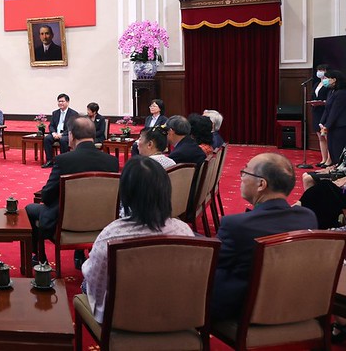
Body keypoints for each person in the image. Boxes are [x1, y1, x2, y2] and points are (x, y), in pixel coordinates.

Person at [82, 155, 194, 323]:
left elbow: (95, 283)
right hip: (171, 316)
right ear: (166, 190)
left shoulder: (111, 235)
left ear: (125, 194)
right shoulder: (184, 231)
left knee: (85, 282)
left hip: (121, 319)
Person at [211, 153, 316, 320]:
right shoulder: (308, 217)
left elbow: (211, 265)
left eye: (245, 172)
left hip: (245, 312)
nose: (241, 178)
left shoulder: (236, 225)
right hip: (294, 305)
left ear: (261, 184)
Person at [25, 117, 119, 257]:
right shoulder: (112, 162)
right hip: (102, 223)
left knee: (30, 209)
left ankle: (40, 259)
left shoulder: (64, 160)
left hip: (67, 223)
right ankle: (79, 255)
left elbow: (47, 196)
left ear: (72, 135)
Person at [42, 93, 79, 169]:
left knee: (63, 140)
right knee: (47, 139)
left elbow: (72, 127)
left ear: (67, 102)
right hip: (56, 134)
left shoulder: (73, 113)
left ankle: (63, 161)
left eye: (62, 101)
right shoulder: (55, 113)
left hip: (66, 134)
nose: (60, 103)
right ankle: (50, 161)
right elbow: (51, 125)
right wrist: (53, 133)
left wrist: (61, 135)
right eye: (59, 101)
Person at [319, 69, 346, 169]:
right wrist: (322, 123)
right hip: (332, 126)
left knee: (338, 149)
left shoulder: (342, 93)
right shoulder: (331, 92)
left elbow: (335, 111)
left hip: (340, 126)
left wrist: (327, 126)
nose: (324, 80)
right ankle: (335, 167)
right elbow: (327, 109)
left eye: (327, 78)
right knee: (331, 148)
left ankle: (339, 170)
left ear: (334, 80)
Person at [311, 64, 332, 167]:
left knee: (327, 136)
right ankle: (323, 159)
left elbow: (331, 98)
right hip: (316, 111)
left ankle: (330, 159)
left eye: (322, 70)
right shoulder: (316, 84)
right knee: (320, 137)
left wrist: (323, 102)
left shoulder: (329, 84)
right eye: (318, 70)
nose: (319, 72)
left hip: (325, 111)